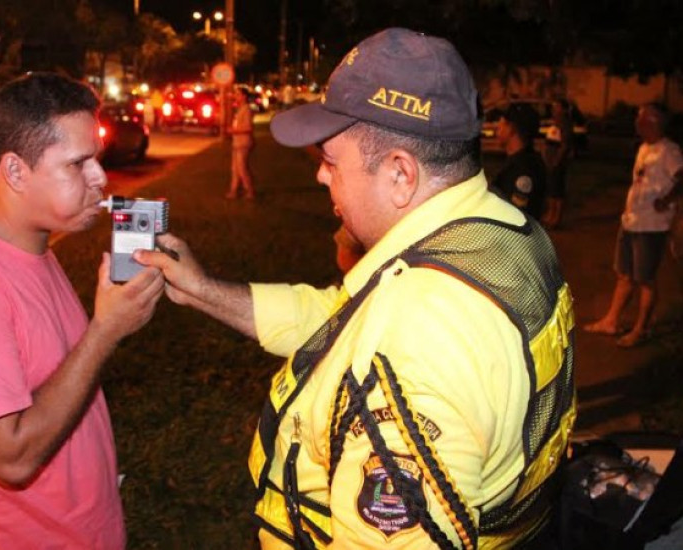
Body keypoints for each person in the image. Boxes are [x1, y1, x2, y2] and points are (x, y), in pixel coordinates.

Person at [137, 28, 575, 549]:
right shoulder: (499, 232)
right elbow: (342, 320)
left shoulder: (415, 345)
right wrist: (203, 289)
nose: (322, 179)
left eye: (330, 161)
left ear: (399, 175)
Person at [0, 73, 165, 548]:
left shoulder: (34, 248)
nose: (100, 179)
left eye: (98, 159)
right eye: (78, 164)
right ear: (15, 172)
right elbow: (13, 457)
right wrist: (105, 330)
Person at [585, 102, 683, 347]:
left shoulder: (669, 151)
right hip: (631, 221)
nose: (637, 123)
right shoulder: (643, 148)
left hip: (652, 226)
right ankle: (611, 321)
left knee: (645, 279)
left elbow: (681, 177)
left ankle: (641, 328)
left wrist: (667, 200)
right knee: (624, 274)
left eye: (641, 119)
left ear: (654, 122)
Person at [491, 102, 547, 219]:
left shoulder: (524, 169)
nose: (497, 128)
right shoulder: (521, 162)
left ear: (511, 129)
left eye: (501, 124)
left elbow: (517, 216)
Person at [542, 98, 574, 229]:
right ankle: (550, 214)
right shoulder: (555, 123)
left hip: (557, 162)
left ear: (563, 109)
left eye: (557, 107)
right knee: (551, 189)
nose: (554, 110)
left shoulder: (565, 123)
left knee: (557, 190)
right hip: (550, 162)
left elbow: (565, 145)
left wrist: (557, 160)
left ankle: (556, 217)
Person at [226, 86, 256, 199]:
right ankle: (233, 191)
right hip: (237, 142)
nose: (235, 96)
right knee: (235, 169)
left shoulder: (246, 109)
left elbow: (248, 127)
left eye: (238, 94)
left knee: (242, 168)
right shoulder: (239, 109)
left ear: (244, 96)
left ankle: (249, 191)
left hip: (243, 143)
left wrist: (233, 130)